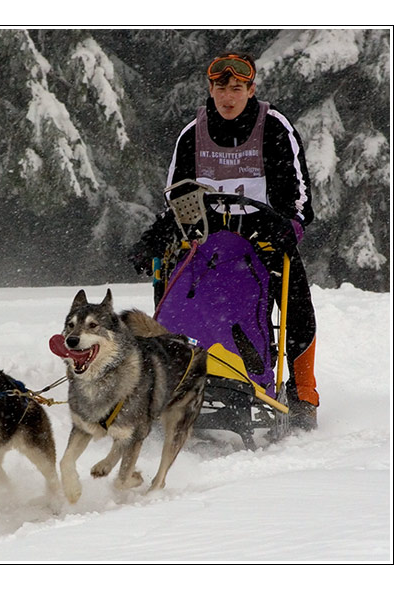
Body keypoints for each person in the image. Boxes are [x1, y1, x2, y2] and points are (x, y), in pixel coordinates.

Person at [129, 52, 319, 431]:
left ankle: (303, 396)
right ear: (210, 89)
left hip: (263, 242)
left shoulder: (275, 127)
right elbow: (175, 200)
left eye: (236, 88)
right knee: (166, 284)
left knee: (297, 306)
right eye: (221, 88)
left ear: (251, 89)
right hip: (205, 243)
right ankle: (168, 378)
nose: (228, 97)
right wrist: (153, 239)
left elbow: (299, 201)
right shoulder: (192, 134)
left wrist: (288, 228)